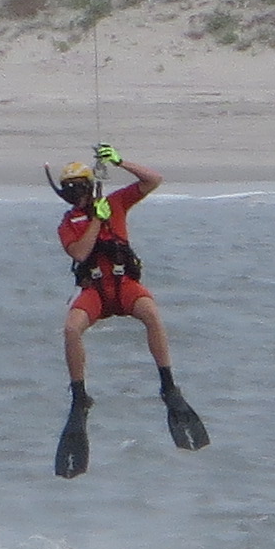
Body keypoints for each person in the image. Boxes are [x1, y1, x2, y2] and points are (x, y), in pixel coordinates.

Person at [50, 144, 208, 475]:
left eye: (79, 188)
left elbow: (154, 180)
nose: (75, 195)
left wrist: (120, 162)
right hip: (94, 290)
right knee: (70, 329)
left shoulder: (115, 202)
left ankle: (168, 385)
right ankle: (80, 397)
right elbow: (80, 254)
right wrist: (96, 221)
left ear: (89, 185)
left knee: (151, 313)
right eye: (69, 191)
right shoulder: (68, 223)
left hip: (123, 287)